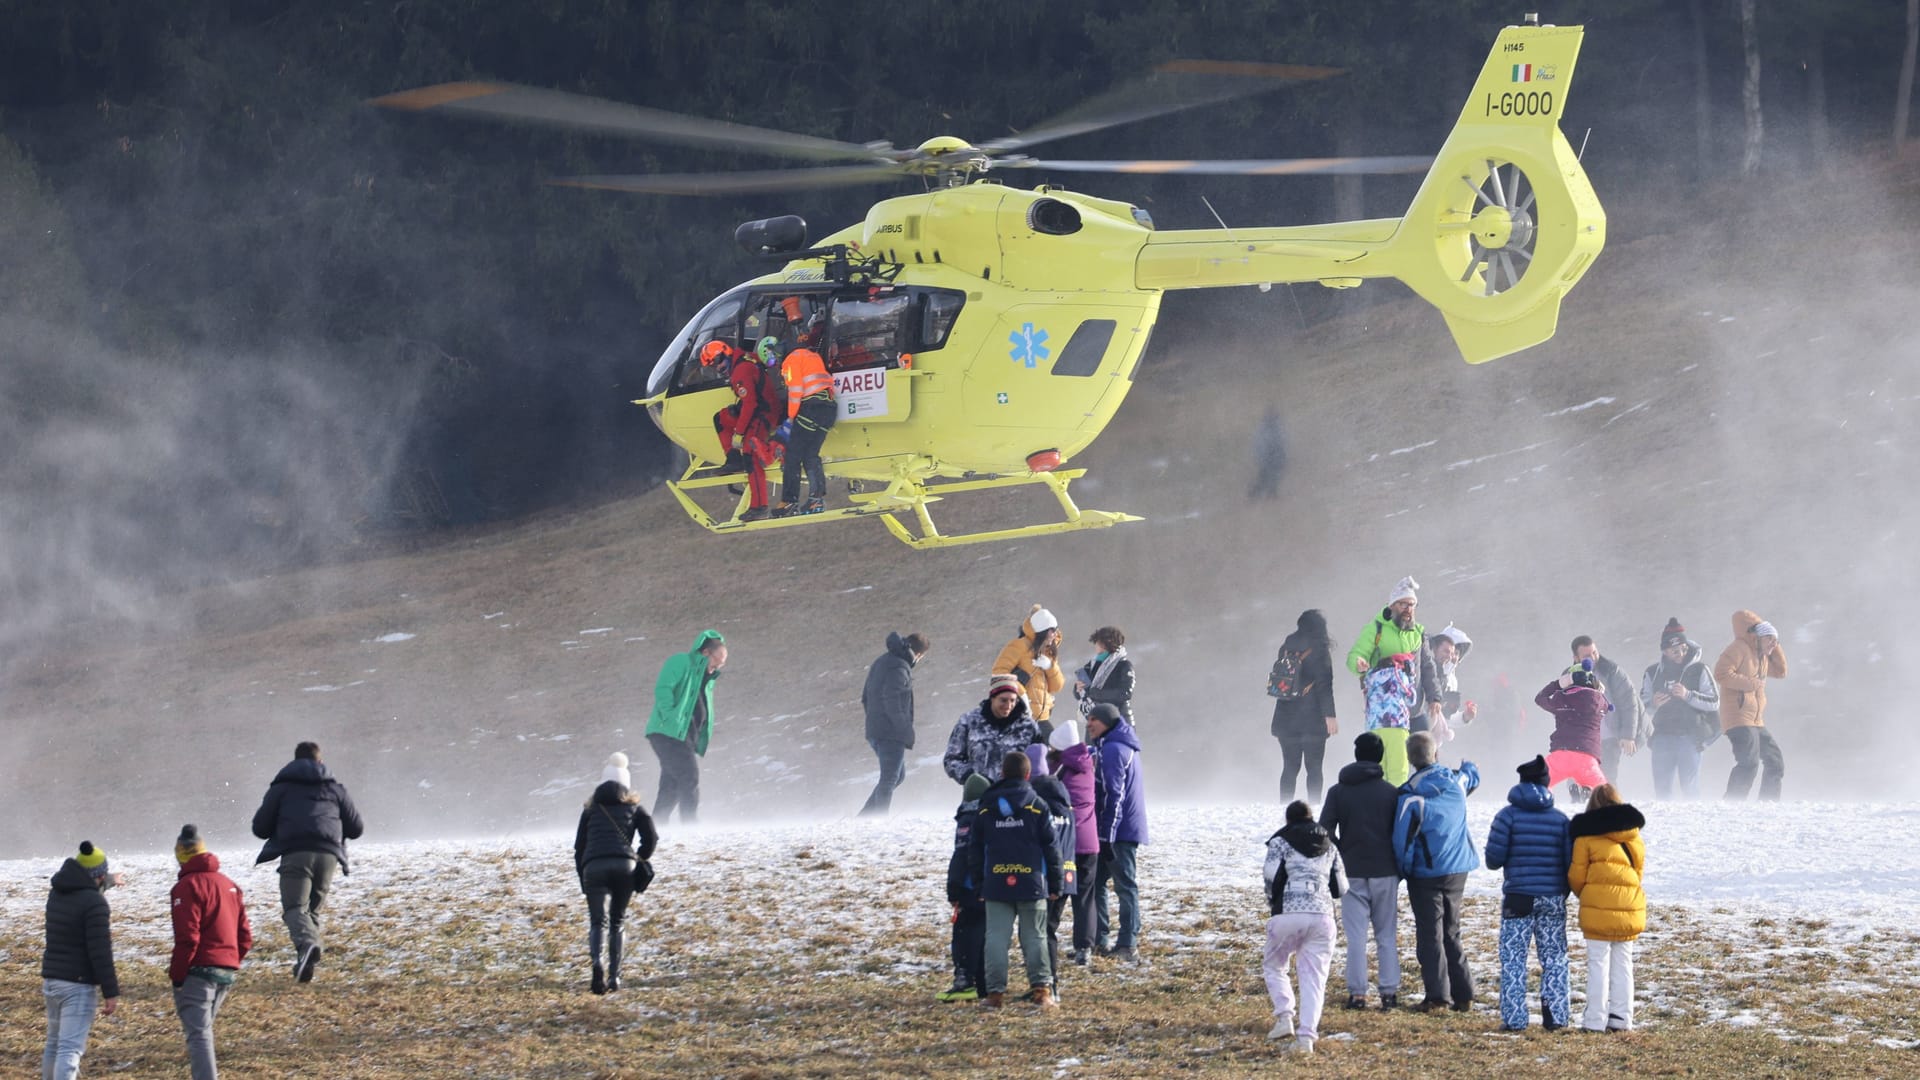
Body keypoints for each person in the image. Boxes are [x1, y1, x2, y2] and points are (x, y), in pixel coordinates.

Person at [249, 740, 365, 984]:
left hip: (296, 853)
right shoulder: (335, 788)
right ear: (320, 761)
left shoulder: (281, 788)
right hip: (329, 856)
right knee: (311, 911)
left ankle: (308, 945)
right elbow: (356, 828)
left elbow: (260, 827)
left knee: (295, 908)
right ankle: (304, 959)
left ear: (294, 761)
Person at [967, 751, 1064, 1008]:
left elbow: (974, 849)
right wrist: (1056, 884)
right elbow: (1052, 848)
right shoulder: (1037, 805)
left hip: (996, 883)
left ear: (1002, 774)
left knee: (996, 938)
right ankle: (1042, 992)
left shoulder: (986, 806)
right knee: (1035, 937)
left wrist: (979, 883)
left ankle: (994, 994)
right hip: (1032, 883)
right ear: (1028, 775)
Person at [1392, 732, 1481, 1014]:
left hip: (1426, 874)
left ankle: (1438, 997)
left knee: (1430, 934)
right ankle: (1464, 994)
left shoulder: (1409, 794)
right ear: (1436, 755)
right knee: (1452, 931)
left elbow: (1401, 840)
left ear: (1410, 759)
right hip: (1458, 869)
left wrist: (1403, 871)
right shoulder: (1456, 782)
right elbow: (1472, 777)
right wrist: (1468, 765)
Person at [1483, 755, 1573, 1032]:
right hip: (1552, 897)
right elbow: (1570, 862)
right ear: (1547, 784)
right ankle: (1556, 1017)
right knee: (1555, 957)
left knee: (1513, 959)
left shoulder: (1506, 816)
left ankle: (1514, 1020)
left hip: (1518, 897)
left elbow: (1493, 860)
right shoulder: (1560, 820)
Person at [1318, 732, 1402, 1011]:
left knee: (1355, 936)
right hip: (1385, 870)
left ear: (1355, 755)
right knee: (1386, 935)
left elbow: (1324, 831)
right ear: (1380, 758)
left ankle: (1358, 994)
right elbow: (1400, 834)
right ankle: (1389, 993)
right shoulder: (1391, 793)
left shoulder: (1338, 792)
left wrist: (1343, 851)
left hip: (1351, 871)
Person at [1262, 800, 1347, 1054]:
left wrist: (1274, 902)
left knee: (1275, 965)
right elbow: (1341, 887)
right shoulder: (1329, 845)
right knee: (1314, 979)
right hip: (1322, 917)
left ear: (1288, 820)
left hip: (1287, 914)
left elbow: (1270, 878)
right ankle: (1306, 1038)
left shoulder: (1279, 842)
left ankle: (1284, 1017)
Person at [169, 825, 252, 1080]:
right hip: (225, 970)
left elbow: (188, 938)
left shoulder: (186, 887)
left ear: (180, 854)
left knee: (199, 1035)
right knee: (202, 1031)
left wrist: (178, 976)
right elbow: (245, 936)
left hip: (198, 972)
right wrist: (230, 959)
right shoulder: (229, 885)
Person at [573, 752, 659, 995]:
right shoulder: (635, 808)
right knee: (617, 921)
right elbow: (651, 838)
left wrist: (584, 877)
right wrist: (640, 856)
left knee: (597, 921)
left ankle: (596, 964)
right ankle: (614, 976)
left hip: (593, 867)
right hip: (624, 867)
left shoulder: (590, 810)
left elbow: (579, 848)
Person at [1347, 577, 1443, 785]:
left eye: (1412, 605)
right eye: (1403, 604)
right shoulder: (1377, 629)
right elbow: (1355, 655)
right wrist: (1359, 663)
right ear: (1392, 606)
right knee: (1386, 758)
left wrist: (1435, 697)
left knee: (1427, 754)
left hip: (1413, 707)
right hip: (1384, 708)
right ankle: (1382, 794)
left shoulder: (1418, 633)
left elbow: (1428, 667)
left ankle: (1428, 793)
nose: (1408, 609)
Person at [1568, 784, 1646, 1032]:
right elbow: (1638, 871)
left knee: (1598, 964)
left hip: (1597, 908)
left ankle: (1594, 1021)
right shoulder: (1633, 834)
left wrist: (1589, 895)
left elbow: (1576, 876)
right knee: (1624, 964)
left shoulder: (1585, 836)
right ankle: (1622, 1019)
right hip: (1629, 906)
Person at [42, 841, 120, 1080]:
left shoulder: (58, 893)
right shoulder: (94, 903)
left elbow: (83, 895)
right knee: (70, 1048)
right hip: (77, 985)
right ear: (97, 876)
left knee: (54, 1044)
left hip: (52, 980)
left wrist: (107, 882)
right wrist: (111, 991)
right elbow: (100, 950)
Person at [644, 629, 728, 825]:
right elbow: (663, 688)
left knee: (671, 784)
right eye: (718, 660)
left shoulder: (707, 680)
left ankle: (657, 825)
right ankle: (690, 825)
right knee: (689, 776)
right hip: (667, 732)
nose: (719, 666)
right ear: (706, 652)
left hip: (685, 737)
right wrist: (670, 717)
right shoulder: (681, 662)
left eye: (723, 663)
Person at [1087, 702, 1148, 963]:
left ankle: (1127, 943)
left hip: (1119, 831)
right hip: (1109, 830)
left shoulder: (1114, 750)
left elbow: (1115, 795)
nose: (1089, 724)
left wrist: (1107, 836)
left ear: (1108, 722)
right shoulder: (1109, 745)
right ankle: (1099, 939)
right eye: (1088, 719)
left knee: (1124, 886)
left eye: (1095, 720)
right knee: (1096, 884)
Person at [1639, 618, 1721, 800]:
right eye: (1674, 650)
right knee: (1662, 789)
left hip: (1690, 738)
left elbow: (1714, 701)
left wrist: (1688, 695)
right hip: (1661, 737)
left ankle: (1693, 825)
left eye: (1683, 649)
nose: (1680, 653)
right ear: (1665, 651)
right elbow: (1640, 709)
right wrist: (1653, 703)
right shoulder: (1652, 672)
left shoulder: (1700, 669)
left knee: (1690, 789)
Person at [1713, 609, 1788, 800]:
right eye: (1769, 639)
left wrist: (1773, 645)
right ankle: (1732, 804)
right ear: (1756, 637)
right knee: (1749, 762)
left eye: (1776, 640)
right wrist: (1751, 683)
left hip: (1755, 719)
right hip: (1737, 717)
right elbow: (1721, 674)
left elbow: (1780, 671)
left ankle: (1768, 804)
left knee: (1775, 761)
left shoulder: (1761, 656)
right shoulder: (1738, 648)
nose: (1773, 643)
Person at [859, 631, 931, 816]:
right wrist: (903, 729)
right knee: (890, 778)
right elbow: (892, 701)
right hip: (890, 731)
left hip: (876, 729)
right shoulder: (899, 667)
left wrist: (874, 720)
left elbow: (865, 697)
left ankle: (864, 817)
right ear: (919, 654)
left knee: (898, 776)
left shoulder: (883, 661)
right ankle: (878, 819)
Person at [1270, 609, 1338, 803]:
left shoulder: (1286, 647)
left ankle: (1283, 808)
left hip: (1285, 717)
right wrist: (1330, 716)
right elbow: (1325, 686)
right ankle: (1314, 807)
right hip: (1313, 720)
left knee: (1289, 768)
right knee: (1314, 768)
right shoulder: (1319, 650)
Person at [709, 339, 779, 522]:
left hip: (764, 414)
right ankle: (733, 458)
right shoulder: (745, 360)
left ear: (727, 353)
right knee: (721, 418)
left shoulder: (741, 371)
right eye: (713, 365)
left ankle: (759, 507)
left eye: (718, 361)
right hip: (760, 409)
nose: (718, 367)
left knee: (750, 454)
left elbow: (750, 404)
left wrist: (739, 433)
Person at [1049, 721, 1101, 968]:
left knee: (1057, 894)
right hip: (1090, 842)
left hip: (1066, 842)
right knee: (1085, 899)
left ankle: (1047, 940)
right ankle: (1084, 948)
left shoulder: (1059, 770)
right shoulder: (1087, 765)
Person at [937, 773, 993, 1003]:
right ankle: (985, 982)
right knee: (985, 934)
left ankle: (964, 979)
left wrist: (954, 888)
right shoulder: (990, 815)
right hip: (990, 885)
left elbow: (961, 857)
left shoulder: (967, 820)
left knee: (965, 933)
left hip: (970, 887)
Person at [1030, 748, 1080, 1002]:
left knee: (1043, 932)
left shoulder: (1040, 809)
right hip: (1068, 877)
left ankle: (1049, 984)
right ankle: (1049, 984)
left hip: (1049, 878)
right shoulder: (1067, 807)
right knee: (1050, 929)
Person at [1570, 637, 1652, 790]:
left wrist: (1628, 736)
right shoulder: (1569, 677)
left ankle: (1610, 811)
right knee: (1577, 782)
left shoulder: (1612, 671)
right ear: (1576, 658)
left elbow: (1629, 703)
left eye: (1595, 652)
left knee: (1606, 780)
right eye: (1587, 656)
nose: (1593, 658)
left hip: (1608, 737)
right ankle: (1581, 811)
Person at [771, 335, 835, 516]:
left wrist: (790, 419)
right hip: (828, 410)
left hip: (811, 409)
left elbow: (796, 391)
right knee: (810, 455)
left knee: (792, 456)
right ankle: (816, 500)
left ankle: (789, 502)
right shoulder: (811, 355)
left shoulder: (791, 361)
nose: (776, 365)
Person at [943, 674, 1043, 786]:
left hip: (1017, 797)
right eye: (1003, 700)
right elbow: (951, 759)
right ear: (992, 698)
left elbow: (1041, 761)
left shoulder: (1028, 726)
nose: (1008, 705)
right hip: (980, 797)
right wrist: (970, 776)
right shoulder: (968, 721)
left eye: (1013, 700)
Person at [1535, 663, 1612, 802]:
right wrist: (1599, 690)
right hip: (1587, 758)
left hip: (1561, 755)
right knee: (1604, 794)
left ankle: (1541, 803)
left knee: (1537, 784)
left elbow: (1539, 698)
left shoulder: (1560, 698)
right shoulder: (1600, 701)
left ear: (1568, 681)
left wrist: (1557, 684)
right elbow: (1607, 706)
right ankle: (1589, 791)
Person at [994, 605, 1066, 728]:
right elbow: (999, 673)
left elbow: (1057, 687)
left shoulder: (1049, 651)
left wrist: (1050, 666)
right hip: (1020, 716)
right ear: (1043, 631)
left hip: (1043, 716)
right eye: (1053, 630)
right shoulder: (1019, 646)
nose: (1055, 634)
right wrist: (1022, 696)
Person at [1072, 625, 1136, 724]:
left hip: (1119, 719)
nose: (1095, 646)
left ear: (1105, 644)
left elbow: (1125, 693)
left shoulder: (1124, 665)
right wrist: (1078, 689)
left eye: (1097, 642)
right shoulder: (1092, 665)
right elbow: (1082, 693)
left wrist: (1097, 694)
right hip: (1096, 720)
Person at [1426, 624, 1479, 742]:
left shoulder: (1452, 680)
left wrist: (1465, 717)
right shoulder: (1427, 670)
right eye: (1449, 651)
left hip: (1434, 740)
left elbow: (1447, 717)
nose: (1452, 657)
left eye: (1457, 653)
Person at [1248, 405, 1287, 500]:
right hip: (1268, 457)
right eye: (1270, 414)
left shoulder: (1277, 426)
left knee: (1274, 476)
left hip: (1276, 456)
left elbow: (1283, 441)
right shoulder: (1264, 428)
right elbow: (1259, 444)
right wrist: (1261, 458)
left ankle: (1270, 494)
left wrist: (1283, 455)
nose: (1272, 416)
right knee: (1264, 477)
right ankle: (1256, 493)